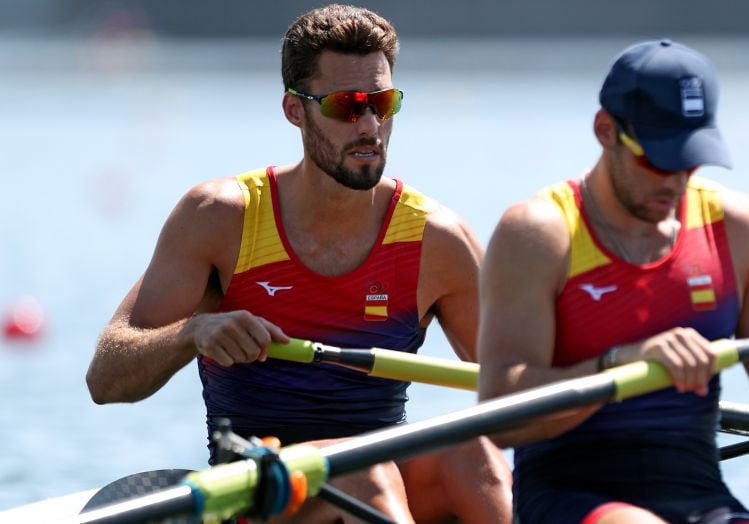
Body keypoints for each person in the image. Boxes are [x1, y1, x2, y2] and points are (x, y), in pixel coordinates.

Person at [86, 5, 512, 523]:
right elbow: (106, 379)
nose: (371, 125)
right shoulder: (220, 218)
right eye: (347, 106)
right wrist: (191, 332)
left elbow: (523, 394)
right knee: (365, 474)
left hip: (385, 484)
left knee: (477, 454)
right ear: (295, 109)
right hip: (259, 491)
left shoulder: (439, 241)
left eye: (383, 102)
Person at [476, 39, 749, 524]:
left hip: (700, 494)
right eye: (657, 160)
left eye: (689, 161)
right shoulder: (538, 233)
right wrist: (622, 364)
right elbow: (501, 414)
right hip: (569, 495)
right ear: (605, 130)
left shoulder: (738, 228)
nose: (675, 183)